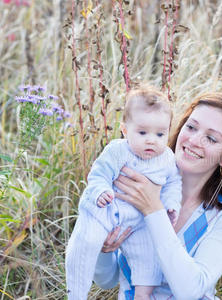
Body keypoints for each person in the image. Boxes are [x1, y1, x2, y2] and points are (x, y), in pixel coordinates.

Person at [93, 92, 222, 299]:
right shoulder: (135, 183)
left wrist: (153, 210)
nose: (194, 140)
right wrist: (103, 249)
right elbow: (107, 280)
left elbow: (191, 290)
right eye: (191, 127)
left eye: (211, 138)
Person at [65, 87, 182, 300]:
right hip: (108, 209)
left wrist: (171, 204)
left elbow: (173, 183)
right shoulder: (118, 150)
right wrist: (102, 190)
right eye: (142, 132)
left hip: (141, 221)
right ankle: (75, 293)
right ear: (125, 130)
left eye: (160, 134)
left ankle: (141, 295)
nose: (151, 140)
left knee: (149, 257)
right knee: (87, 242)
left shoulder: (167, 158)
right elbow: (99, 174)